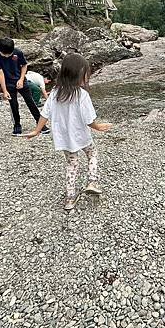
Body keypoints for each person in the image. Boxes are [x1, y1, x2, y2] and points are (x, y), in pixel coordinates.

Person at [27, 53, 111, 211]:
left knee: (72, 164)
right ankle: (92, 181)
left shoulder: (55, 94)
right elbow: (88, 119)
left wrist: (37, 131)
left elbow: (45, 114)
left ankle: (70, 199)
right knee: (92, 154)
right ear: (79, 74)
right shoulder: (82, 95)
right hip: (82, 136)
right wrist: (98, 127)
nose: (87, 77)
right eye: (86, 74)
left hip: (64, 139)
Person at [0, 38, 49, 136]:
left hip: (20, 80)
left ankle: (41, 125)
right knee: (13, 105)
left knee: (31, 102)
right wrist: (5, 91)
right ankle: (17, 125)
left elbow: (24, 66)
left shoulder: (18, 52)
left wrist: (21, 79)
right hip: (8, 83)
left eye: (10, 53)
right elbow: (0, 73)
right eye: (5, 54)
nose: (8, 55)